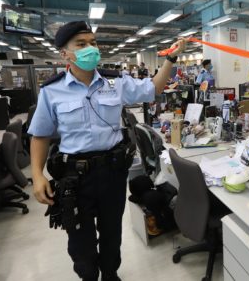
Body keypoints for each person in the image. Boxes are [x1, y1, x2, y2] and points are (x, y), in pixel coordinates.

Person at [28, 21, 186, 281]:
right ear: (64, 54)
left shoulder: (116, 83)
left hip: (112, 173)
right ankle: (89, 276)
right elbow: (40, 135)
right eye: (81, 44)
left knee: (112, 232)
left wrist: (171, 58)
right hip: (75, 178)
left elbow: (153, 88)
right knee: (80, 240)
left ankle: (111, 274)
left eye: (93, 42)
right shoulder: (52, 91)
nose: (90, 48)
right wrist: (37, 175)